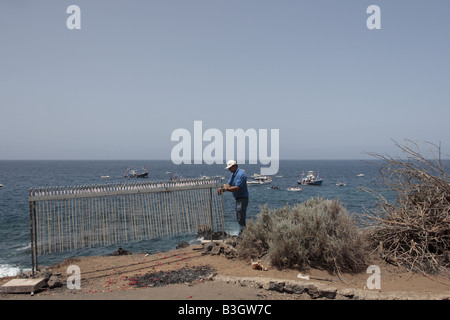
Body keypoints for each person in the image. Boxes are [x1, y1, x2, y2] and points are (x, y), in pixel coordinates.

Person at [217, 160, 249, 235]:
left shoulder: (241, 174)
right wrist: (223, 188)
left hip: (242, 198)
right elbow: (228, 184)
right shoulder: (233, 174)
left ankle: (243, 233)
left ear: (234, 166)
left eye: (230, 168)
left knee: (241, 216)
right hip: (238, 199)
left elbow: (237, 188)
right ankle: (243, 232)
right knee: (239, 216)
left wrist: (225, 189)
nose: (229, 169)